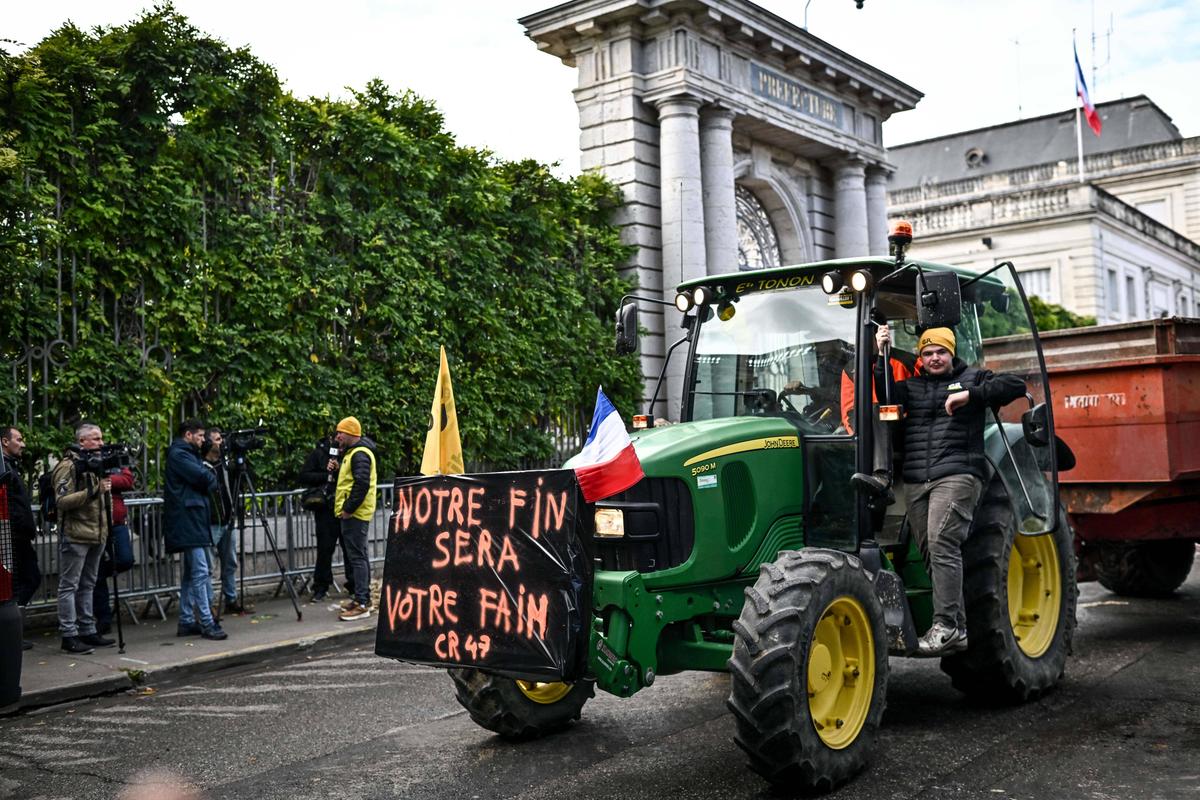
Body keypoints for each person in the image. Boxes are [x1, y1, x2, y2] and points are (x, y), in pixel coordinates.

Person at [875, 325, 1026, 656]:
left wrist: (970, 395)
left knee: (943, 542)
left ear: (951, 353)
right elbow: (886, 396)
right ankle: (956, 627)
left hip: (957, 473)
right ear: (921, 358)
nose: (934, 358)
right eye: (927, 353)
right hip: (917, 479)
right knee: (931, 549)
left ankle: (947, 625)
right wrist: (882, 355)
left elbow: (1015, 385)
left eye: (940, 351)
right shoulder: (911, 387)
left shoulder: (973, 378)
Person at [52, 423, 116, 654]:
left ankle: (88, 630)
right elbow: (62, 501)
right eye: (96, 439)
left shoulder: (96, 465)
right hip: (76, 534)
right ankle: (69, 635)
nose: (101, 442)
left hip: (97, 534)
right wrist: (94, 491)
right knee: (69, 585)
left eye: (101, 438)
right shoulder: (68, 466)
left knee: (88, 584)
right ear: (82, 442)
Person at [163, 419, 227, 641]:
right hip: (188, 519)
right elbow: (205, 478)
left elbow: (206, 478)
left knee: (192, 573)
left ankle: (187, 620)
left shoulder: (188, 455)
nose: (203, 440)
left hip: (193, 519)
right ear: (188, 435)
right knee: (201, 571)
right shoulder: (180, 455)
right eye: (200, 436)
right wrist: (207, 476)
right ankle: (207, 621)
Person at [332, 416, 377, 621]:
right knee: (359, 557)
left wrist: (348, 509)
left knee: (357, 558)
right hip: (356, 513)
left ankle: (361, 602)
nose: (337, 436)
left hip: (356, 514)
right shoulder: (353, 453)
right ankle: (362, 599)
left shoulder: (359, 454)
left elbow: (361, 484)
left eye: (340, 432)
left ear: (350, 433)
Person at [299, 433, 352, 603]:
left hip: (346, 506)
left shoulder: (352, 453)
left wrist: (339, 470)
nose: (339, 439)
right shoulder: (319, 453)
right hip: (326, 508)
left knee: (349, 548)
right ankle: (321, 586)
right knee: (325, 549)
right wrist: (326, 475)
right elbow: (304, 475)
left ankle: (353, 584)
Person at [201, 428, 248, 615]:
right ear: (207, 443)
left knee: (230, 563)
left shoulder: (225, 464)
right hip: (212, 521)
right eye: (218, 439)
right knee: (208, 567)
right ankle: (209, 604)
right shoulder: (201, 466)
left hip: (228, 519)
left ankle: (231, 599)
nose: (222, 443)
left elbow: (241, 481)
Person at [2, 426, 39, 650]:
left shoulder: (10, 466)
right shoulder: (3, 468)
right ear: (5, 442)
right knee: (24, 581)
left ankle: (12, 632)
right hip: (13, 536)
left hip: (18, 535)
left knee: (23, 582)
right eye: (18, 439)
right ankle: (10, 633)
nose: (22, 444)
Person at [92, 455, 135, 637]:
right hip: (95, 523)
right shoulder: (86, 461)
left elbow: (128, 480)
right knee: (97, 573)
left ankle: (98, 573)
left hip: (117, 522)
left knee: (125, 559)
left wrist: (108, 480)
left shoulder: (113, 460)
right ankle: (103, 619)